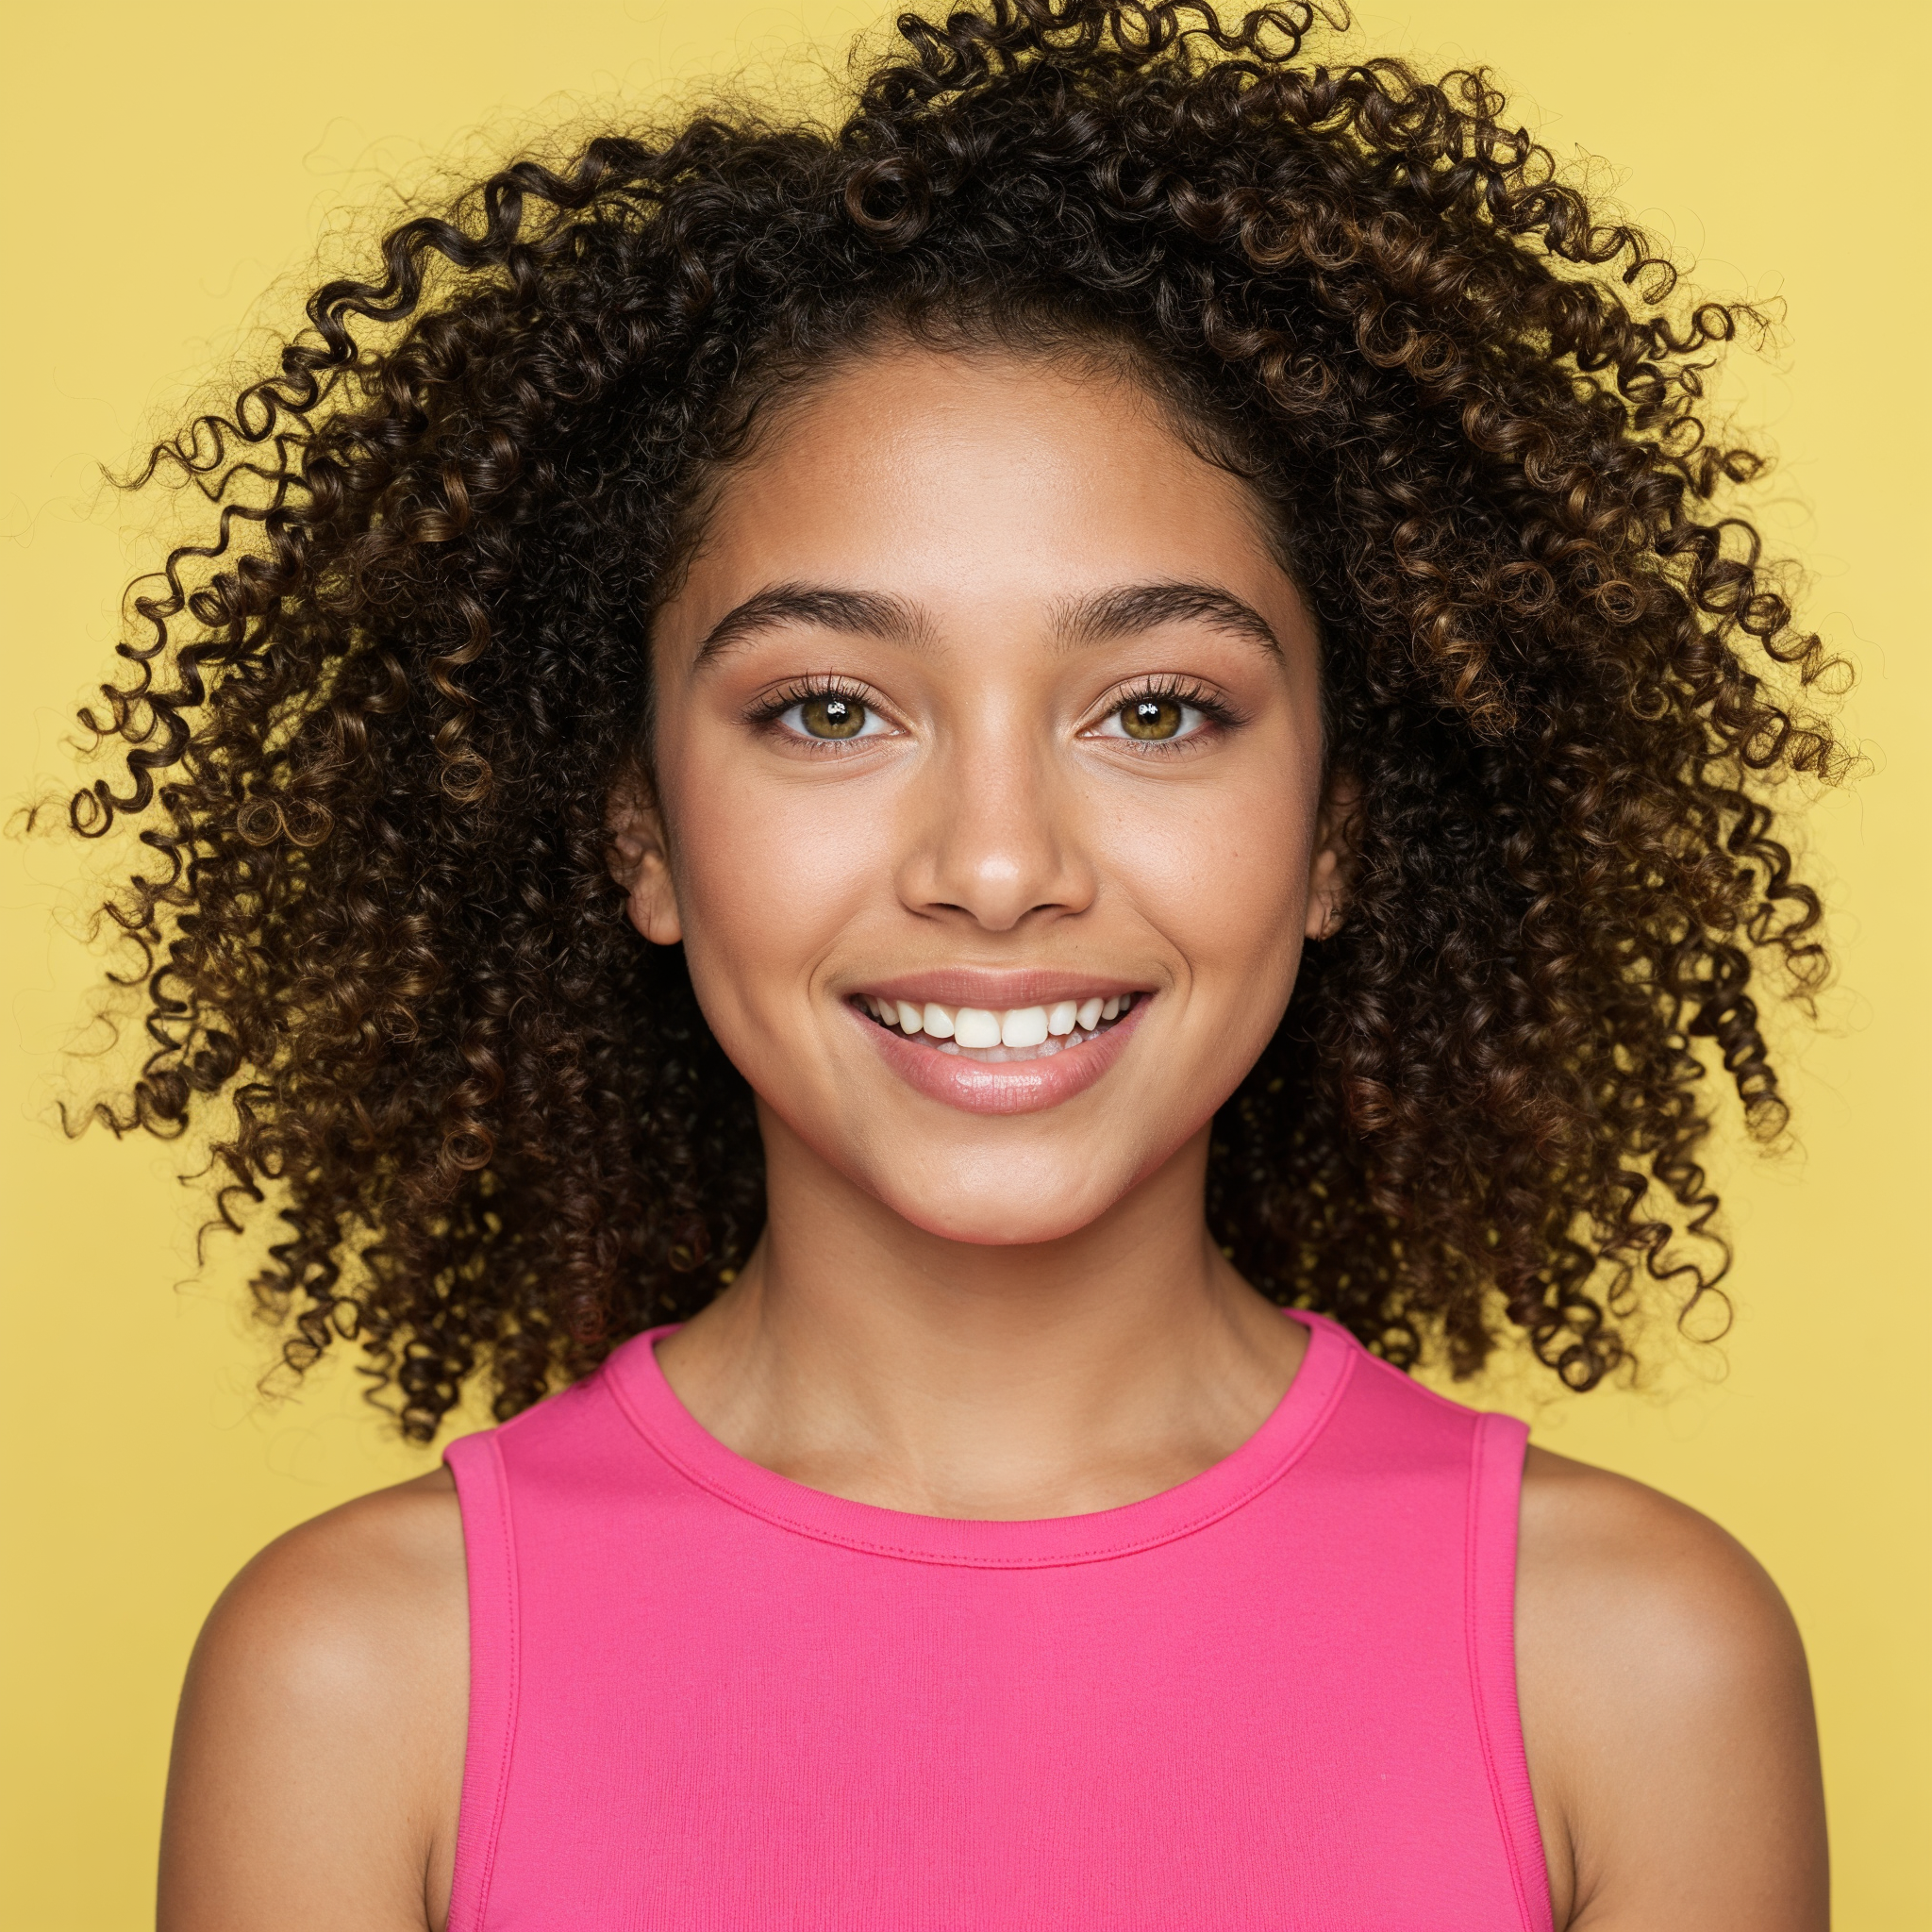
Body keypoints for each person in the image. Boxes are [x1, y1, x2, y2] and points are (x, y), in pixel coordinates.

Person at [74, 4, 1831, 1925]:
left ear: (1336, 829)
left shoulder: (1630, 1668)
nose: (997, 869)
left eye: (1156, 710)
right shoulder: (361, 1686)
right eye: (829, 709)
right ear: (639, 830)